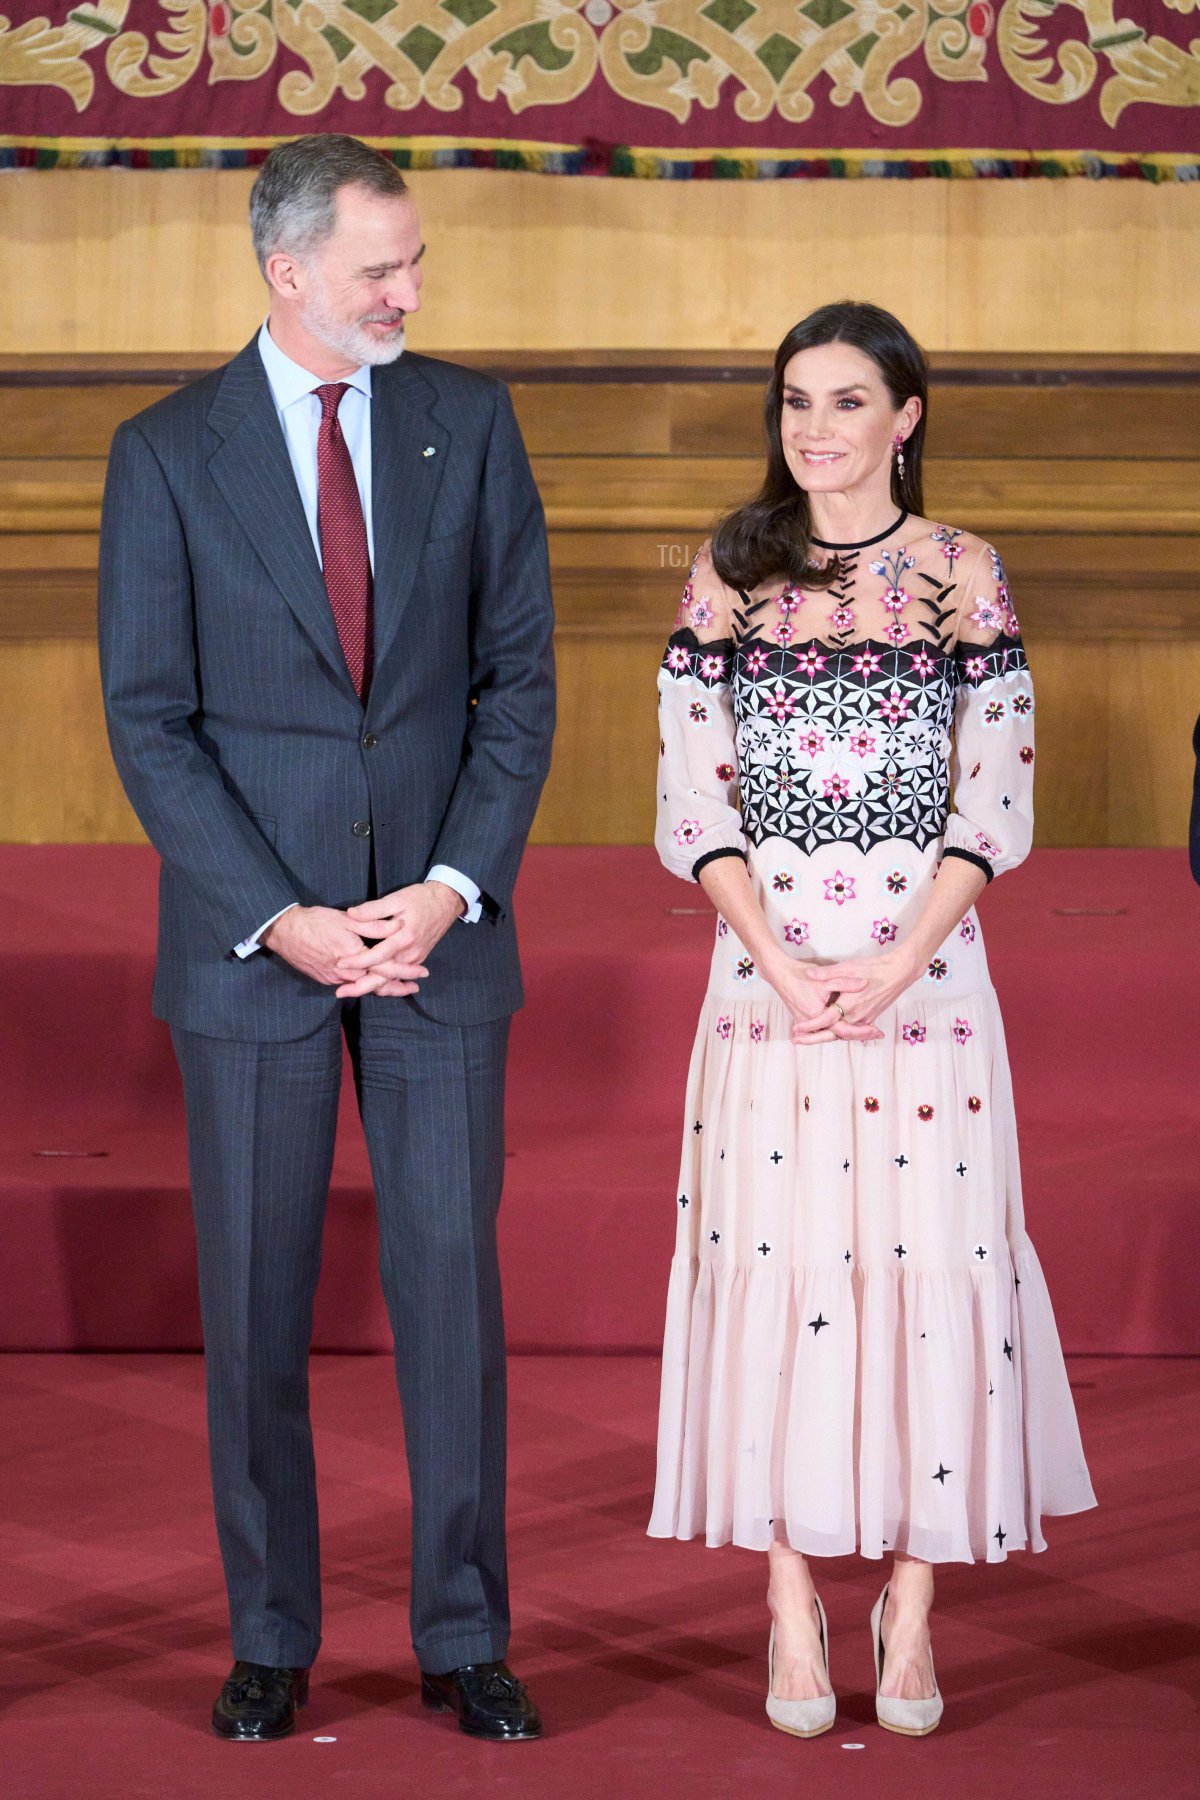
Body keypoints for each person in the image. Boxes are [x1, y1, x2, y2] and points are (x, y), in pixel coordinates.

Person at [98, 133, 554, 1744]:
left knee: (451, 1299)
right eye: (380, 267)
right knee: (257, 1307)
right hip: (257, 958)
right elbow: (151, 725)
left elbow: (518, 691)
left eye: (415, 262)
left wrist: (444, 890)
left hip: (438, 946)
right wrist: (282, 918)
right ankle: (271, 1634)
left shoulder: (470, 424)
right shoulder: (163, 453)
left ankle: (464, 1632)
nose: (407, 292)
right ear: (288, 271)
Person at [648, 301, 1095, 1738]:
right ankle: (789, 1600)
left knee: (929, 1265)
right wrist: (778, 957)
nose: (815, 430)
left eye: (847, 403)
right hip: (764, 978)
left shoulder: (966, 575)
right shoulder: (729, 569)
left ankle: (913, 1598)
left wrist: (899, 962)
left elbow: (997, 795)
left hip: (929, 986)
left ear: (906, 418)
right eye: (795, 402)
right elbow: (690, 789)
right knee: (773, 1258)